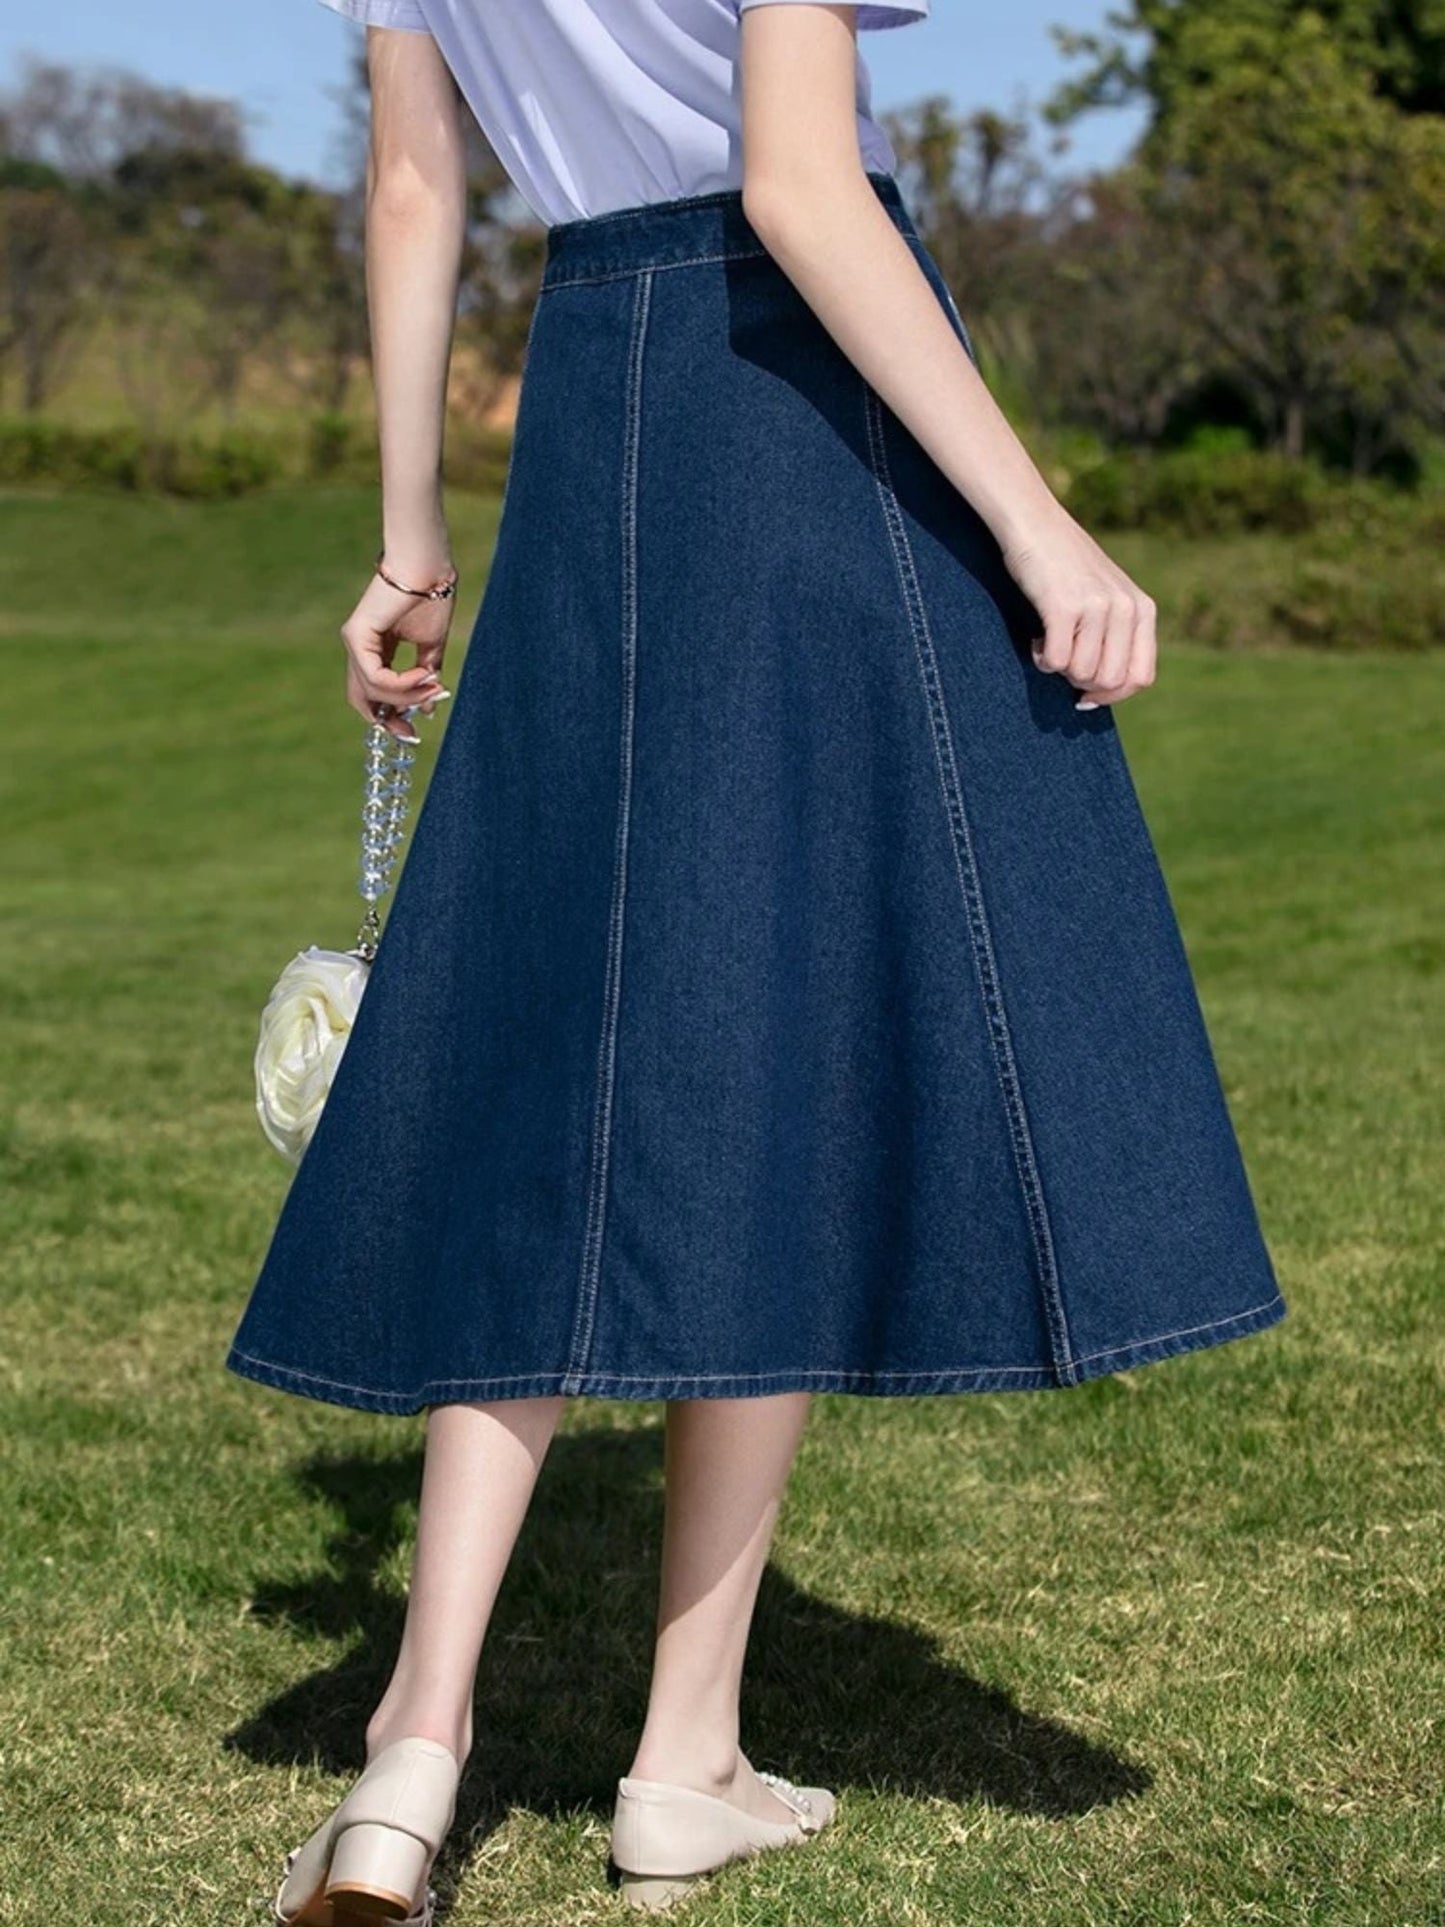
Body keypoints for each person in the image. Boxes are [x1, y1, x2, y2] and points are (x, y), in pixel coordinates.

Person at [234, 1, 1288, 1918]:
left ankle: (414, 1741)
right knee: (773, 1020)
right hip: (801, 409)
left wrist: (408, 536)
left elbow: (411, 185)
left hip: (583, 401)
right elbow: (799, 184)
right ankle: (678, 1756)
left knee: (565, 1057)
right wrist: (1043, 528)